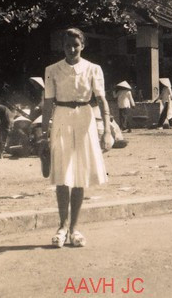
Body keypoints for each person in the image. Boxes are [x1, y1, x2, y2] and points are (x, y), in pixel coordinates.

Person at [42, 28, 111, 248]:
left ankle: (74, 229)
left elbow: (101, 101)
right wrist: (43, 134)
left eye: (76, 45)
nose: (71, 49)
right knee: (63, 174)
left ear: (83, 45)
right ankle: (62, 227)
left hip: (85, 119)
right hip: (61, 118)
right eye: (67, 45)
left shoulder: (93, 69)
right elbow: (47, 104)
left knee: (80, 175)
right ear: (62, 47)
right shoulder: (52, 70)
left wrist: (107, 130)